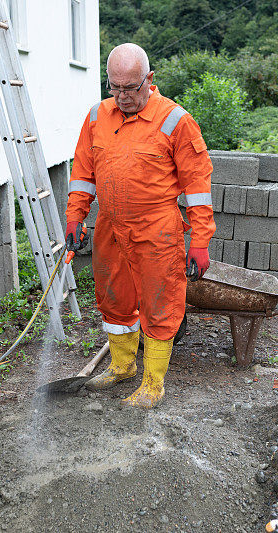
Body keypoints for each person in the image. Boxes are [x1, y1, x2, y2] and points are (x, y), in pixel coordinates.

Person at [64, 43, 215, 408]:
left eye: (130, 88)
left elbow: (197, 185)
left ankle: (152, 384)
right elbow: (83, 173)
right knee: (113, 299)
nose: (122, 96)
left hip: (156, 228)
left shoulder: (175, 120)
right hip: (110, 226)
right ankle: (121, 366)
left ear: (149, 79)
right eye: (114, 87)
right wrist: (75, 218)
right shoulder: (98, 116)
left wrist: (200, 241)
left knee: (160, 303)